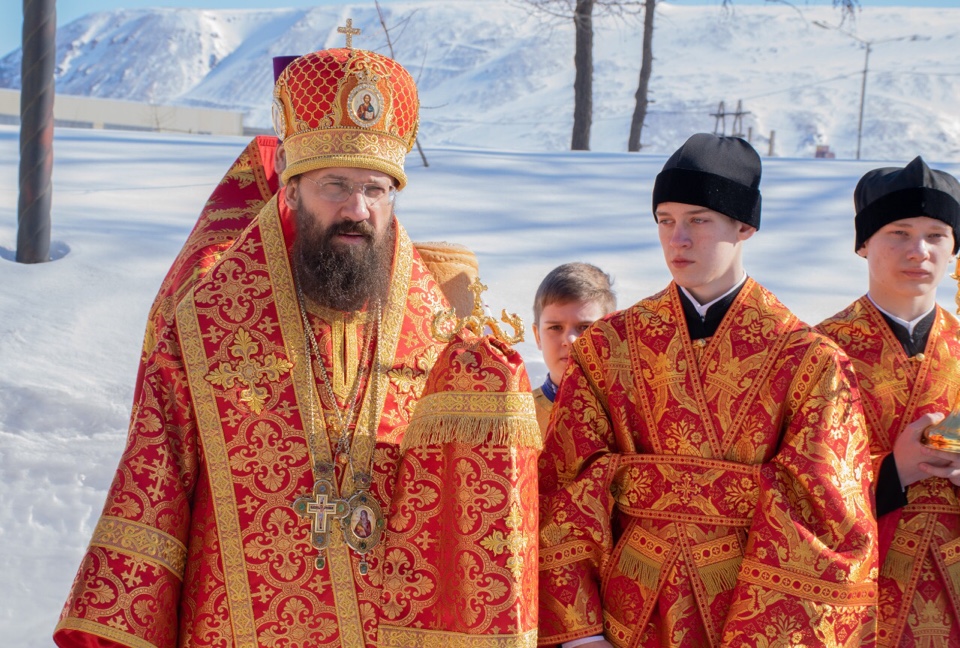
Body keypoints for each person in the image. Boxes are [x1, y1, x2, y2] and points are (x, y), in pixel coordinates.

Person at [54, 41, 537, 648]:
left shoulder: (441, 333)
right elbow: (156, 484)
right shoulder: (206, 324)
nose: (357, 209)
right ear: (290, 183)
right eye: (335, 184)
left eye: (376, 189)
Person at [537, 133, 878, 647]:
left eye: (698, 220)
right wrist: (582, 634)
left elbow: (829, 517)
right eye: (665, 220)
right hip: (624, 617)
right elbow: (565, 484)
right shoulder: (609, 346)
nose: (677, 239)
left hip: (746, 612)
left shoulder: (809, 360)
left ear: (745, 226)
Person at [817, 156, 960, 647]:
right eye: (899, 233)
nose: (919, 251)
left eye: (936, 235)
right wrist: (893, 471)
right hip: (858, 594)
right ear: (864, 244)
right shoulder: (815, 352)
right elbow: (792, 486)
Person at [531, 262, 616, 436]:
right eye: (555, 327)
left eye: (584, 327)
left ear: (610, 334)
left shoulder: (630, 415)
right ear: (538, 336)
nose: (570, 340)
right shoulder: (520, 419)